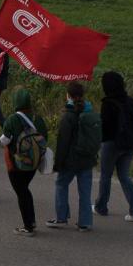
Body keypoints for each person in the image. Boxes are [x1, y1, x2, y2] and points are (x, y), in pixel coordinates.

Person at [48, 81, 100, 232]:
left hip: (71, 160)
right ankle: (85, 222)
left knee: (61, 184)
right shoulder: (90, 112)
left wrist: (58, 163)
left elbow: (63, 142)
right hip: (87, 158)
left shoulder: (68, 116)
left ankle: (61, 217)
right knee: (85, 191)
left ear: (68, 96)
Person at [95, 71, 133, 222]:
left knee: (105, 175)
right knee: (124, 176)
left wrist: (99, 142)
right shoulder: (130, 101)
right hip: (130, 143)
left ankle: (101, 207)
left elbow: (105, 128)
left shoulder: (108, 103)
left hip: (112, 143)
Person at [0, 88, 47, 236]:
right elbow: (45, 138)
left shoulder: (12, 120)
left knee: (22, 192)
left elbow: (5, 141)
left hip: (17, 163)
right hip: (34, 162)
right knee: (25, 189)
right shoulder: (38, 119)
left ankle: (28, 226)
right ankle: (30, 222)